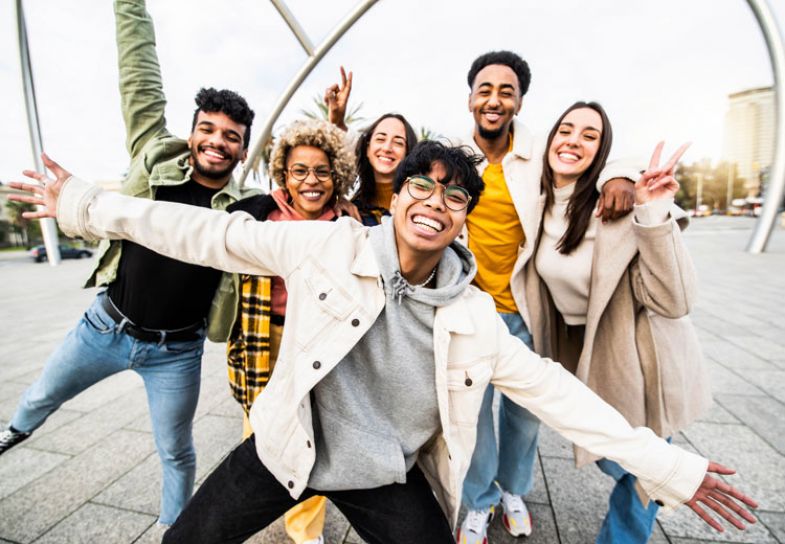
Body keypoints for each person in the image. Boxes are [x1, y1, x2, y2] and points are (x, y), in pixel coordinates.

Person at [11, 142, 757, 543]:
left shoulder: (471, 319)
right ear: (394, 198)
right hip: (284, 450)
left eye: (453, 195)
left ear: (462, 218)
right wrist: (86, 204)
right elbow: (211, 233)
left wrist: (671, 468)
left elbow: (559, 395)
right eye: (420, 187)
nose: (435, 202)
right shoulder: (325, 247)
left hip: (381, 474)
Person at [0, 0, 256, 526]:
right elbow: (139, 73)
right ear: (191, 133)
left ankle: (173, 533)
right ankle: (12, 432)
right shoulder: (153, 155)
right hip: (105, 327)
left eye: (232, 136)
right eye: (208, 129)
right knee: (41, 394)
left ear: (243, 150)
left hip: (176, 352)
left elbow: (307, 200)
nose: (218, 141)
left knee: (176, 451)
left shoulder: (245, 208)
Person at [456, 50, 640, 543]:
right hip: (468, 310)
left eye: (506, 91)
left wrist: (619, 174)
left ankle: (514, 489)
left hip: (524, 308)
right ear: (471, 96)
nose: (494, 100)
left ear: (519, 101)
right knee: (473, 416)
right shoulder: (453, 154)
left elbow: (588, 153)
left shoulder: (537, 150)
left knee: (523, 414)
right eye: (485, 89)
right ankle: (479, 501)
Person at [523, 101, 712, 543]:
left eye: (590, 135)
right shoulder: (539, 200)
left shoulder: (616, 207)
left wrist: (651, 211)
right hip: (581, 352)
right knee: (615, 454)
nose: (573, 140)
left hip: (637, 355)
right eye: (565, 130)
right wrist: (621, 171)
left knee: (642, 468)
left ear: (601, 150)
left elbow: (675, 300)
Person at [211, 119, 355, 544]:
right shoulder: (259, 214)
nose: (311, 180)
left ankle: (306, 530)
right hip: (263, 341)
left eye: (322, 171)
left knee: (313, 436)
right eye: (300, 171)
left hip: (320, 345)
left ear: (337, 177)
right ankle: (250, 511)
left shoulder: (348, 223)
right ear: (284, 176)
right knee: (259, 436)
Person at [324, 67, 418, 225]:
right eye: (380, 139)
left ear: (409, 153)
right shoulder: (351, 213)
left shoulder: (419, 207)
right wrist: (337, 123)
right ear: (367, 148)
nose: (387, 148)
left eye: (398, 142)